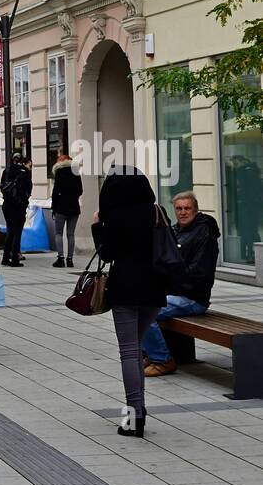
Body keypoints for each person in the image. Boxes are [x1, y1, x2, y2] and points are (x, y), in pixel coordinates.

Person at [92, 165, 165, 439]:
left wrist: (98, 225)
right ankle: (139, 412)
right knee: (136, 348)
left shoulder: (115, 217)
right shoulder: (156, 211)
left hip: (125, 287)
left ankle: (134, 417)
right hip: (155, 286)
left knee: (129, 351)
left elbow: (107, 254)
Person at [141, 191, 221, 377]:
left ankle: (162, 360)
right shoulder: (176, 231)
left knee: (145, 312)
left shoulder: (204, 232)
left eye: (187, 208)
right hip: (175, 294)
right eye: (179, 208)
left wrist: (168, 280)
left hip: (192, 298)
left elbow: (198, 272)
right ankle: (149, 354)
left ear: (196, 210)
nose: (183, 212)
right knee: (138, 305)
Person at [51, 151, 83, 268]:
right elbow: (80, 191)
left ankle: (60, 258)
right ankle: (70, 259)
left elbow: (55, 192)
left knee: (58, 233)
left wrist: (54, 208)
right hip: (74, 207)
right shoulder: (76, 172)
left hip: (60, 207)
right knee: (71, 234)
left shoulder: (59, 172)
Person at [0, 153, 32, 268]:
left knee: (10, 231)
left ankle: (5, 258)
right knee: (17, 233)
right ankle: (14, 259)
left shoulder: (7, 171)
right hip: (19, 206)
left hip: (7, 205)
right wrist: (23, 200)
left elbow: (2, 187)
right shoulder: (25, 172)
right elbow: (28, 189)